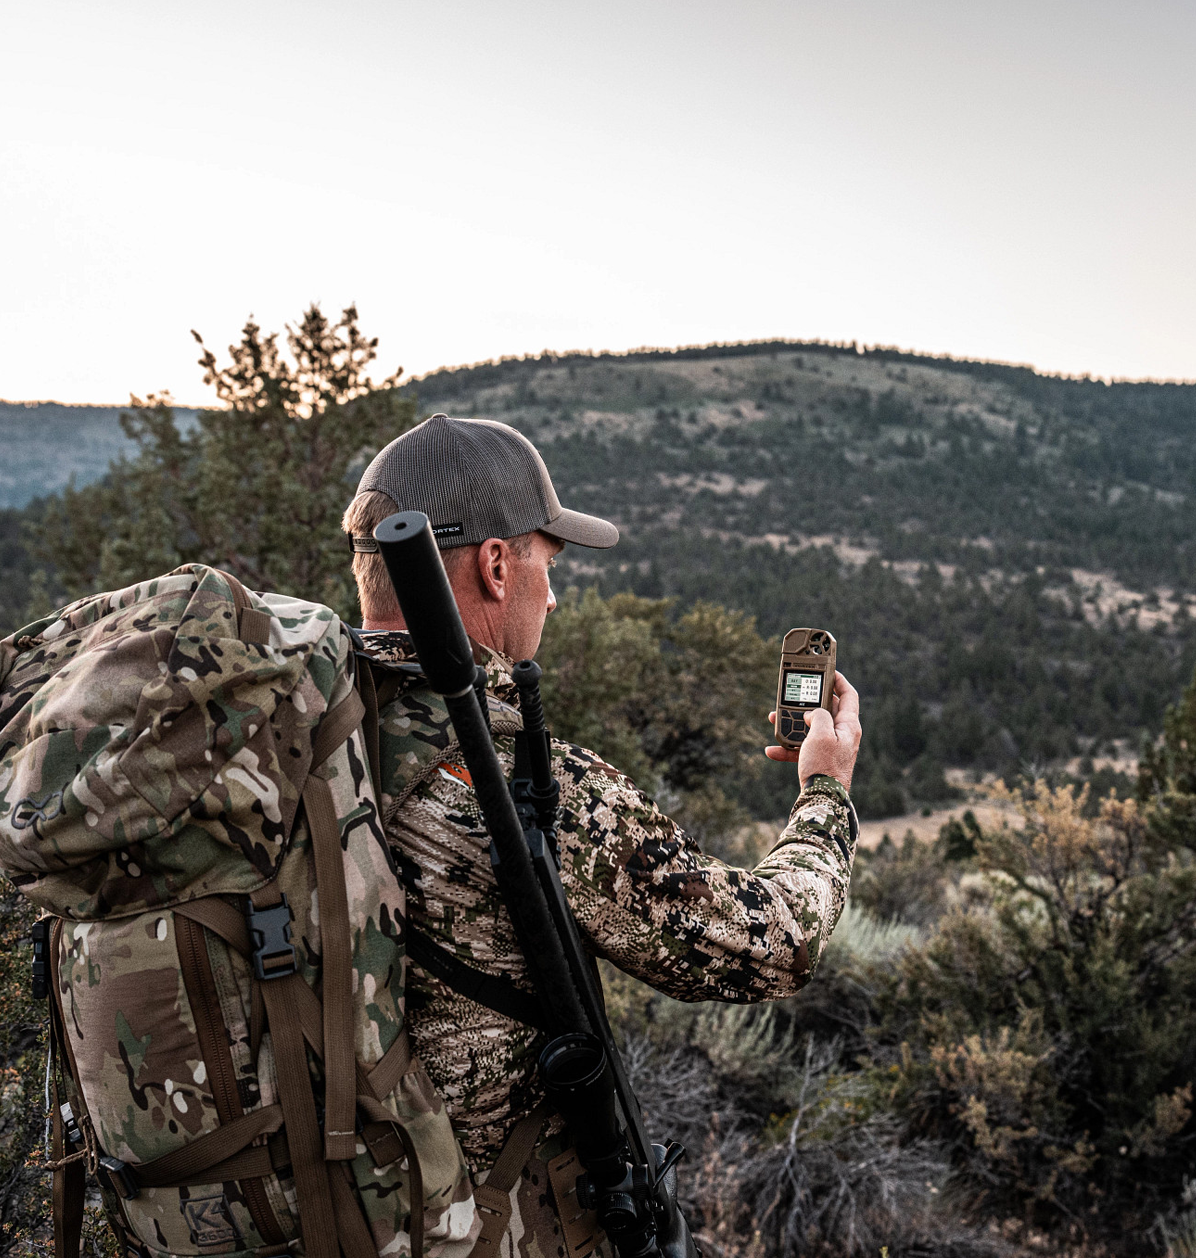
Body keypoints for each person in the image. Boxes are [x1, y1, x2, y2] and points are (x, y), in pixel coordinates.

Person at [341, 413, 862, 1254]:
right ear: (497, 564)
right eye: (547, 564)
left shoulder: (291, 744)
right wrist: (824, 794)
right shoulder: (520, 784)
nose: (551, 593)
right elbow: (774, 941)